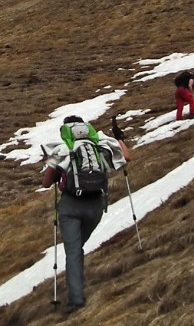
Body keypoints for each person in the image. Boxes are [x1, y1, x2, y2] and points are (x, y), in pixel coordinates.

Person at [40, 115, 131, 310]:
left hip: (71, 206)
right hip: (95, 206)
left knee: (73, 251)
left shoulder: (65, 149)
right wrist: (119, 138)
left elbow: (46, 183)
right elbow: (126, 158)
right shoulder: (98, 147)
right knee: (77, 248)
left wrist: (52, 163)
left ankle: (77, 299)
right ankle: (76, 284)